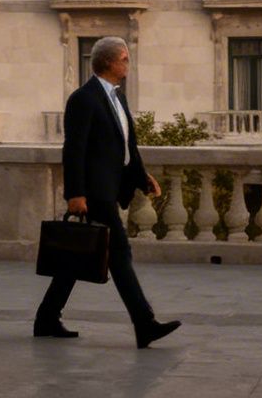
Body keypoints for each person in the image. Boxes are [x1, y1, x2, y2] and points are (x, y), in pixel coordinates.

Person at [33, 36, 179, 348]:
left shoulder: (118, 97)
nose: (128, 64)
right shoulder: (83, 98)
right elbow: (74, 149)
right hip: (94, 192)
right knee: (120, 253)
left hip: (111, 187)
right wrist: (76, 192)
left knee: (77, 254)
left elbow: (127, 146)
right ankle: (145, 322)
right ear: (110, 62)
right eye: (125, 59)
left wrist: (142, 177)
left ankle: (46, 317)